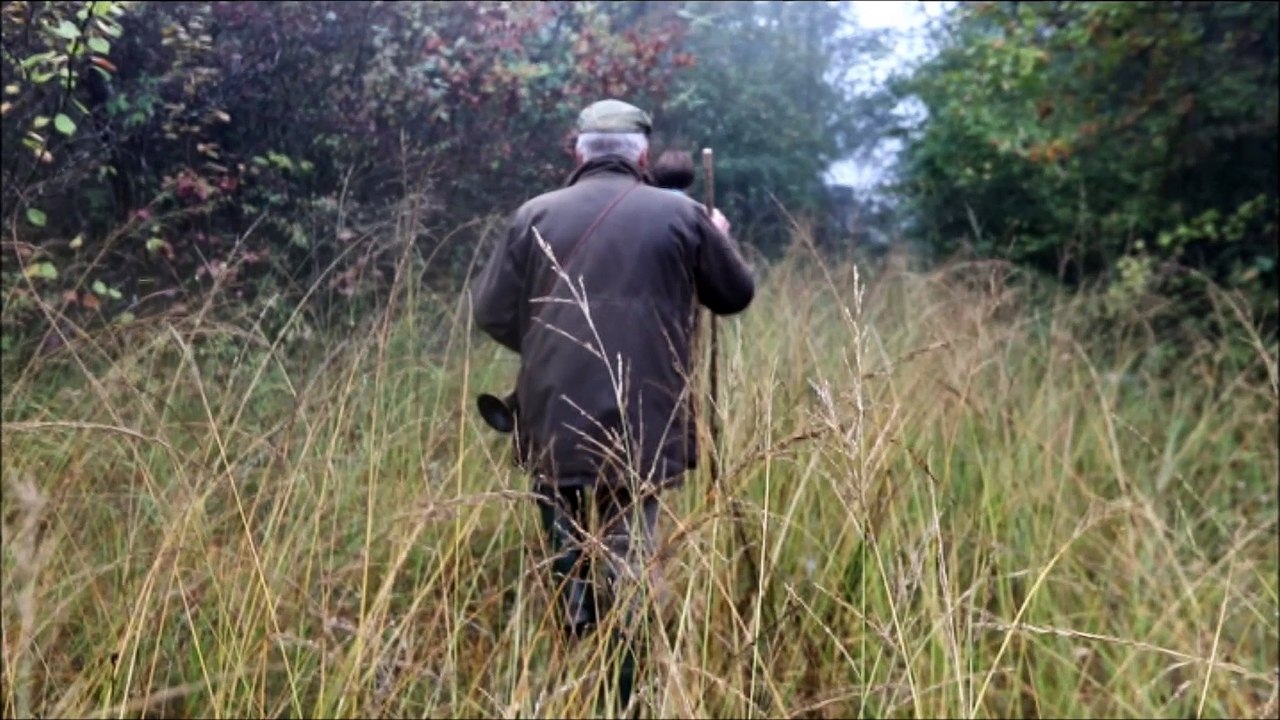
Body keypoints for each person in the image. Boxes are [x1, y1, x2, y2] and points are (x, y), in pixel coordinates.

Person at [470, 98, 755, 711]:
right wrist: (721, 238)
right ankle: (628, 696)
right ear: (644, 156)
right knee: (629, 565)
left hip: (551, 421)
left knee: (569, 565)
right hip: (644, 424)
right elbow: (733, 296)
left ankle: (581, 673)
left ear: (577, 151)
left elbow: (491, 313)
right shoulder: (684, 214)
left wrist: (550, 348)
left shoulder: (534, 215)